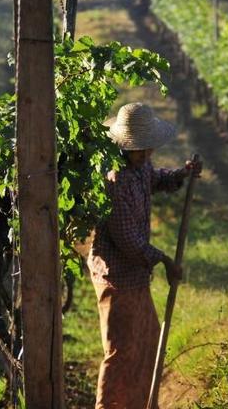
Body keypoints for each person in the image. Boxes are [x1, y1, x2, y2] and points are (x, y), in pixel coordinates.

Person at [88, 102, 202, 409]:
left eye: (148, 147)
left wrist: (182, 174)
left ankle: (140, 403)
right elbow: (127, 240)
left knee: (148, 341)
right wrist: (164, 260)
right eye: (140, 149)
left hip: (135, 275)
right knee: (120, 351)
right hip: (116, 276)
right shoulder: (115, 180)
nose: (147, 153)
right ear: (124, 147)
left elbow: (156, 178)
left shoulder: (139, 168)